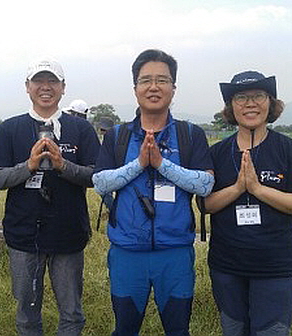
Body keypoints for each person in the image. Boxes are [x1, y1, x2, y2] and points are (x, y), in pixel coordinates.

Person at [93, 49, 215, 336]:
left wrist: (162, 164)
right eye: (145, 80)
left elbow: (205, 184)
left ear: (174, 88)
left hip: (175, 253)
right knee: (124, 329)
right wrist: (139, 165)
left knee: (177, 330)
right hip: (127, 253)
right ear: (135, 88)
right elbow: (100, 182)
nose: (154, 87)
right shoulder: (118, 136)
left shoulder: (189, 134)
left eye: (162, 80)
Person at [0, 58, 100, 336]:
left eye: (52, 81)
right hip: (23, 233)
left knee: (72, 311)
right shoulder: (10, 129)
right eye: (38, 81)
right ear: (27, 87)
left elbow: (96, 176)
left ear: (63, 88)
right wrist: (28, 167)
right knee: (27, 312)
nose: (45, 87)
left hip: (68, 232)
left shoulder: (81, 130)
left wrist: (63, 166)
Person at [205, 71, 292, 336]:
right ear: (231, 107)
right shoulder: (217, 153)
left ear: (271, 103)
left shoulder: (289, 149)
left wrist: (257, 188)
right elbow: (206, 205)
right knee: (233, 329)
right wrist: (237, 188)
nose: (250, 104)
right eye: (241, 97)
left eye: (258, 96)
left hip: (275, 267)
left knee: (272, 331)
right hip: (226, 266)